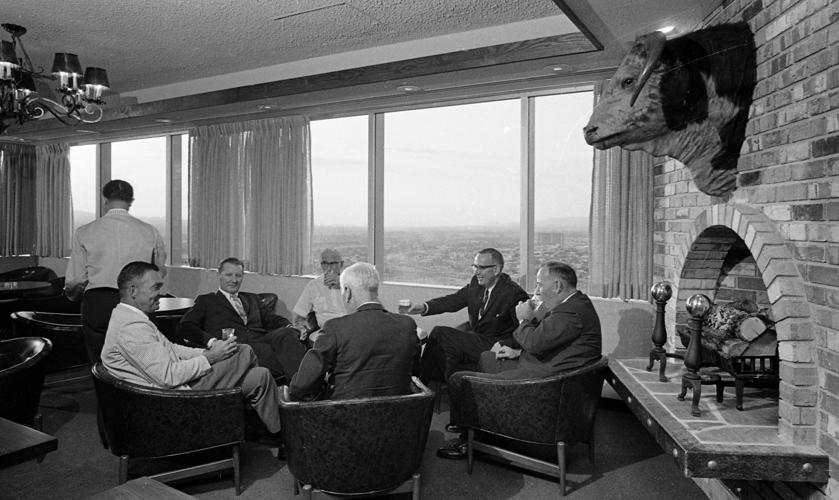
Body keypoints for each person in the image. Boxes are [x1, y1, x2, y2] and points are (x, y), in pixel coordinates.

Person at [436, 261, 602, 459]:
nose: (537, 290)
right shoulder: (576, 303)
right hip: (550, 371)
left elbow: (533, 343)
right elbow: (552, 343)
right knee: (487, 358)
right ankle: (481, 425)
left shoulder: (569, 313)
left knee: (459, 379)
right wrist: (517, 353)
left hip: (542, 385)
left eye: (540, 284)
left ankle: (467, 439)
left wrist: (523, 319)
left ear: (557, 286)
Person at [100, 261, 280, 434]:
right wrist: (210, 358)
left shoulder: (131, 317)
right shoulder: (131, 327)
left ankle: (279, 434)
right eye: (155, 287)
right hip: (176, 397)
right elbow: (167, 377)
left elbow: (172, 348)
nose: (161, 294)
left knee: (260, 375)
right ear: (133, 291)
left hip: (179, 385)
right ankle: (234, 416)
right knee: (244, 351)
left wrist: (207, 351)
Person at [65, 179, 168, 365]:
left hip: (99, 303)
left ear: (105, 200)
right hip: (138, 301)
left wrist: (76, 297)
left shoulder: (84, 231)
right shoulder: (150, 231)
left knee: (100, 362)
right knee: (144, 362)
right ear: (131, 201)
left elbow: (75, 280)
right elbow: (159, 273)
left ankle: (105, 394)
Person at [289, 262, 420, 401]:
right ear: (376, 289)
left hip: (345, 416)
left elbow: (301, 386)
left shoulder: (334, 328)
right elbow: (414, 373)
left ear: (347, 291)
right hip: (400, 414)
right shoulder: (408, 325)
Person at [405, 248, 528, 383]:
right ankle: (450, 387)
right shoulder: (476, 283)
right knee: (446, 352)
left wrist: (507, 344)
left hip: (494, 345)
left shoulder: (514, 294)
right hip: (477, 339)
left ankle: (419, 382)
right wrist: (423, 307)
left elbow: (526, 330)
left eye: (481, 267)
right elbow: (453, 301)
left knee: (440, 333)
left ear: (496, 269)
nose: (476, 272)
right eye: (474, 266)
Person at [177, 257, 307, 383]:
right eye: (229, 275)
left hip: (262, 341)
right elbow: (186, 326)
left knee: (288, 333)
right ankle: (304, 389)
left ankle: (300, 388)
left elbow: (273, 320)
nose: (234, 280)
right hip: (237, 349)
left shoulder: (253, 299)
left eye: (238, 276)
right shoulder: (206, 301)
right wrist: (213, 342)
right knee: (291, 355)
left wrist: (291, 327)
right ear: (219, 276)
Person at [291, 248, 348, 343]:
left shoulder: (351, 283)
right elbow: (299, 313)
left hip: (349, 331)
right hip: (325, 333)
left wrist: (342, 284)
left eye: (333, 263)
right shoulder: (314, 285)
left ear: (341, 264)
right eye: (325, 263)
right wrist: (300, 325)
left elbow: (364, 308)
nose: (329, 268)